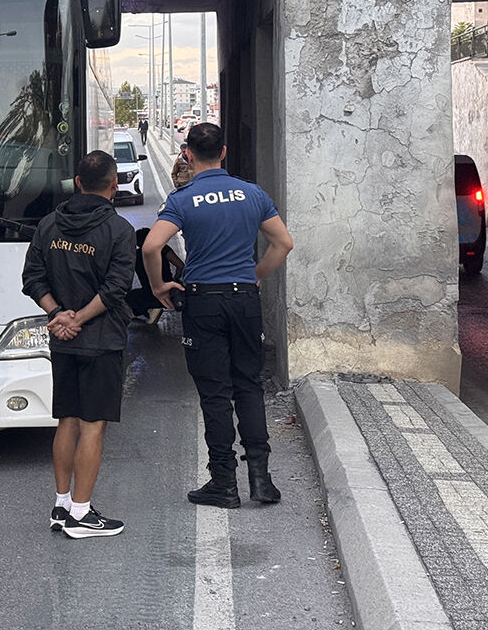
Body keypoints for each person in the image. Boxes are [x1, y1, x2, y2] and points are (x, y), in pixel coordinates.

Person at [141, 122, 294, 509]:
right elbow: (283, 243)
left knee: (214, 392)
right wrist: (255, 276)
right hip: (244, 299)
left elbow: (151, 246)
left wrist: (159, 288)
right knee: (248, 384)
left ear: (188, 155)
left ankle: (223, 482)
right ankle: (261, 480)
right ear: (224, 152)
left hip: (204, 302)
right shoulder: (252, 193)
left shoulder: (182, 198)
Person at [22, 150, 136, 538]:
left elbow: (32, 277)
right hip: (100, 341)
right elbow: (116, 289)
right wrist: (80, 319)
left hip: (62, 343)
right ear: (113, 184)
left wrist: (58, 315)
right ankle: (83, 515)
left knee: (66, 421)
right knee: (93, 425)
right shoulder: (119, 230)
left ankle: (61, 503)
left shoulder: (49, 224)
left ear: (78, 183)